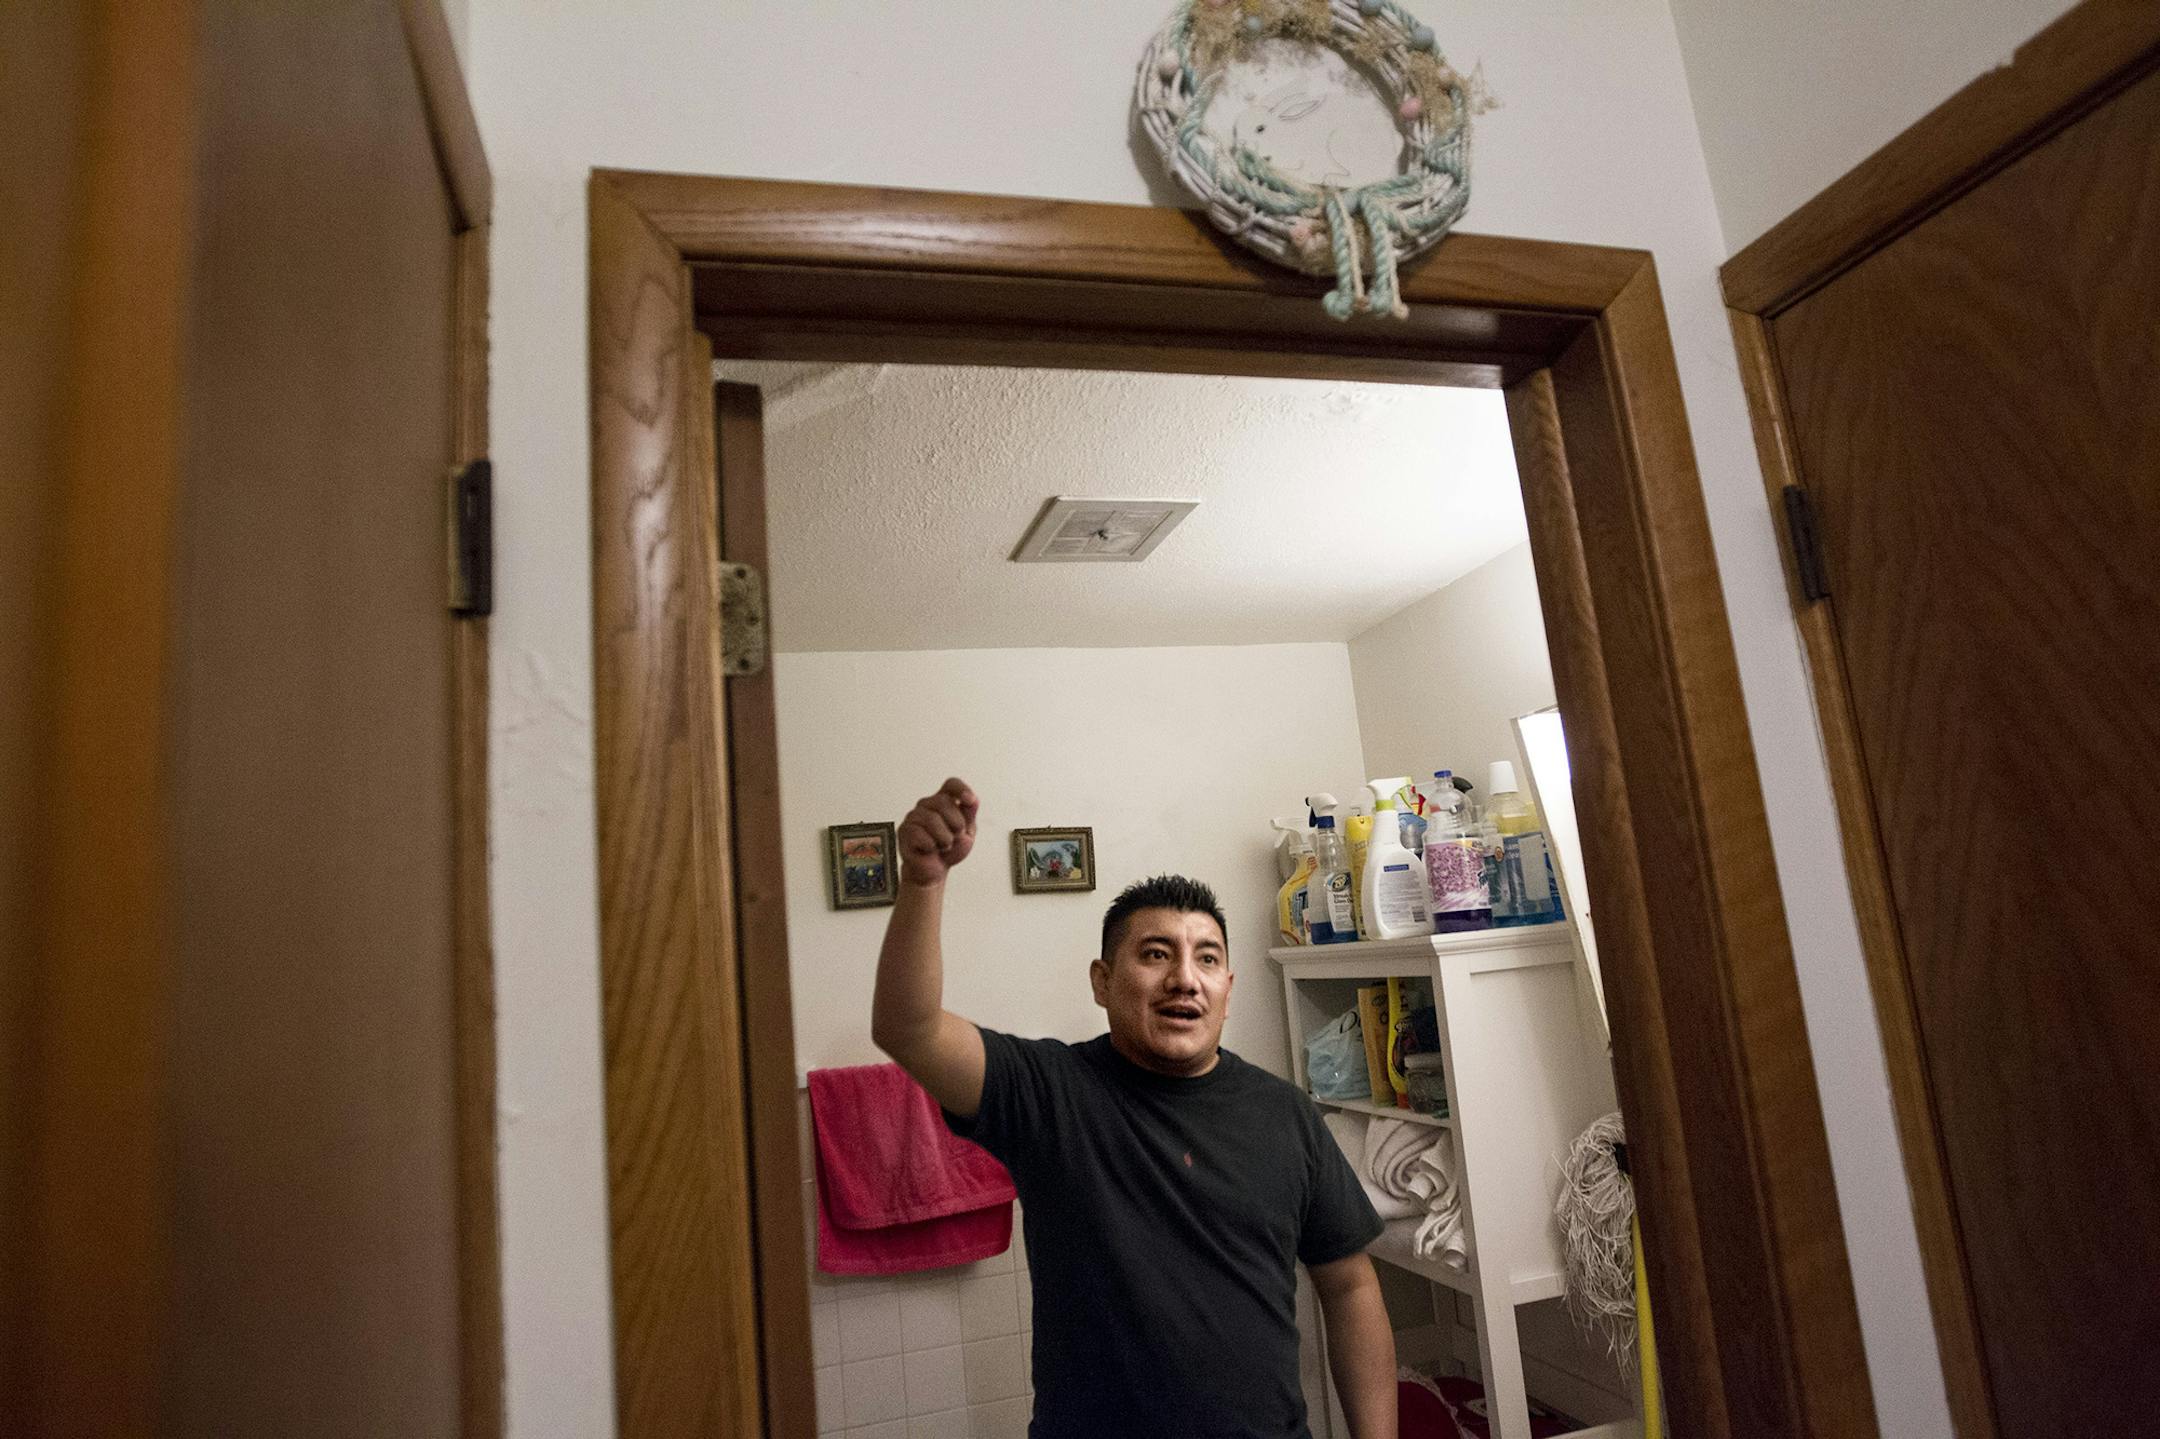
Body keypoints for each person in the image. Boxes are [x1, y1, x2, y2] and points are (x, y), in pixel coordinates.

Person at [872, 777, 1398, 1439]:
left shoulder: (1286, 1115)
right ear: (1102, 981)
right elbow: (908, 1029)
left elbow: (1350, 1286)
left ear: (1227, 988)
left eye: (1207, 958)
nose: (1185, 978)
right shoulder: (1050, 1092)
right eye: (1155, 954)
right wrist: (923, 883)